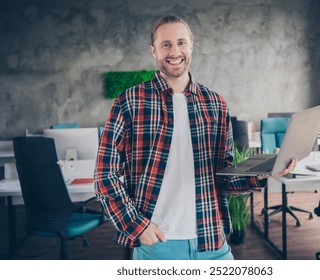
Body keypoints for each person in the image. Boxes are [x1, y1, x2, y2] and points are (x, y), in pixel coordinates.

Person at [94, 14, 297, 260]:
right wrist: (137, 227)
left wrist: (266, 170)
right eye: (165, 44)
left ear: (191, 46)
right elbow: (105, 175)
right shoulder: (130, 101)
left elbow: (225, 177)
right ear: (153, 51)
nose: (174, 51)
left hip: (212, 241)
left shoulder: (215, 103)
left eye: (181, 43)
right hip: (158, 244)